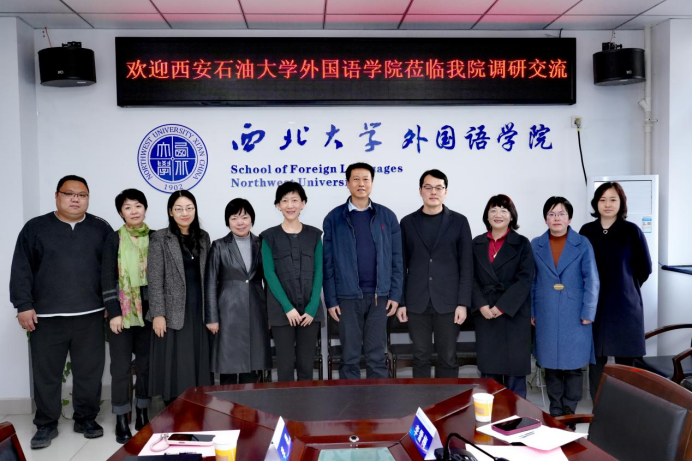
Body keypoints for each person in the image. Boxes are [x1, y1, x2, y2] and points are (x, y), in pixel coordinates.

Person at [10, 175, 112, 449]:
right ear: (57, 196)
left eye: (82, 195)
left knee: (89, 372)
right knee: (47, 374)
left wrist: (110, 304)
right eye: (69, 193)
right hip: (46, 317)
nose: (76, 199)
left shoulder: (100, 228)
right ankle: (46, 424)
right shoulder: (36, 228)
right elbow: (21, 268)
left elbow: (111, 270)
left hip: (91, 314)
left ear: (88, 198)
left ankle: (86, 418)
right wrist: (23, 305)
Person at [323, 162, 404, 379]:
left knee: (377, 355)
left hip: (380, 296)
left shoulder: (387, 216)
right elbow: (328, 263)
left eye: (366, 179)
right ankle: (350, 400)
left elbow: (397, 259)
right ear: (347, 183)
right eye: (356, 179)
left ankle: (378, 399)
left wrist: (395, 295)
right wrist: (331, 300)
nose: (361, 183)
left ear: (372, 183)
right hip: (347, 297)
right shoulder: (334, 218)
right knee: (349, 356)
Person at [397, 170, 473, 379]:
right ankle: (422, 398)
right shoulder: (407, 223)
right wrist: (401, 302)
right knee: (420, 356)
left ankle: (447, 399)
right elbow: (400, 265)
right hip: (416, 301)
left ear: (445, 192)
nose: (433, 192)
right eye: (428, 187)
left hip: (449, 302)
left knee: (447, 357)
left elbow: (467, 266)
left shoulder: (459, 222)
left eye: (438, 188)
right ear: (420, 190)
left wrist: (463, 303)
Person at [580, 182, 652, 400]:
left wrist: (625, 286)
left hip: (624, 305)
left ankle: (626, 405)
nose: (608, 204)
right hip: (595, 304)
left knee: (625, 361)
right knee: (596, 358)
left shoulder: (631, 231)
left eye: (613, 199)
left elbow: (644, 268)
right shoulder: (587, 231)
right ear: (596, 203)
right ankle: (599, 406)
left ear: (621, 203)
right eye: (602, 200)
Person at [531, 197, 599, 418]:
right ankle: (555, 408)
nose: (556, 218)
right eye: (551, 214)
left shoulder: (583, 243)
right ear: (545, 219)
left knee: (573, 365)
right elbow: (531, 281)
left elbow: (592, 280)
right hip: (546, 311)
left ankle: (570, 408)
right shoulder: (536, 244)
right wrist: (532, 311)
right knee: (550, 364)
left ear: (569, 218)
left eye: (561, 214)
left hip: (575, 313)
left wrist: (589, 311)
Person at [148, 190, 212, 404]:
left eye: (189, 208)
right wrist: (158, 314)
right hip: (172, 310)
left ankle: (196, 402)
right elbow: (154, 278)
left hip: (199, 308)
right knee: (176, 362)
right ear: (170, 211)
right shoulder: (160, 238)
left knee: (197, 357)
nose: (185, 213)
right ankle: (174, 406)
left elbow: (208, 275)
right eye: (179, 209)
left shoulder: (203, 237)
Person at [102, 189, 153, 444]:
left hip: (150, 314)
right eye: (127, 207)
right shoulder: (113, 239)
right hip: (121, 314)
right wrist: (114, 312)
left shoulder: (156, 237)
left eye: (138, 205)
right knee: (120, 368)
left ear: (145, 208)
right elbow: (107, 277)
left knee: (146, 365)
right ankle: (121, 417)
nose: (134, 211)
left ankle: (142, 412)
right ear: (121, 213)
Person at [470, 195, 534, 398]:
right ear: (487, 216)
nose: (498, 215)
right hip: (485, 313)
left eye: (504, 210)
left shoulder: (522, 243)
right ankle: (490, 415)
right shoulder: (476, 243)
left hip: (513, 314)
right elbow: (470, 278)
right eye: (493, 210)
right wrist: (481, 305)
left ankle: (517, 415)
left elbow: (525, 280)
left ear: (511, 216)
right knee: (490, 375)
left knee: (515, 372)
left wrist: (502, 307)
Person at [260, 183, 324, 382]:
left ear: (303, 204)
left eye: (295, 200)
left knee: (306, 366)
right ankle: (285, 404)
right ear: (278, 205)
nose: (290, 205)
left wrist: (312, 307)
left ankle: (305, 404)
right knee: (285, 367)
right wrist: (288, 308)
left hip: (309, 313)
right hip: (281, 312)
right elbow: (269, 274)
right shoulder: (268, 237)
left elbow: (319, 271)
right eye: (285, 201)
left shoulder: (315, 235)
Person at [205, 199, 271, 385]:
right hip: (227, 313)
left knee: (252, 366)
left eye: (244, 217)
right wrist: (211, 317)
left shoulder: (262, 244)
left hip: (256, 311)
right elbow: (210, 283)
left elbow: (269, 282)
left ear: (252, 219)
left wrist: (269, 316)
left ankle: (250, 404)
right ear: (228, 221)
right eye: (234, 218)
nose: (240, 222)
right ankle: (226, 403)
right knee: (228, 366)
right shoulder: (219, 246)